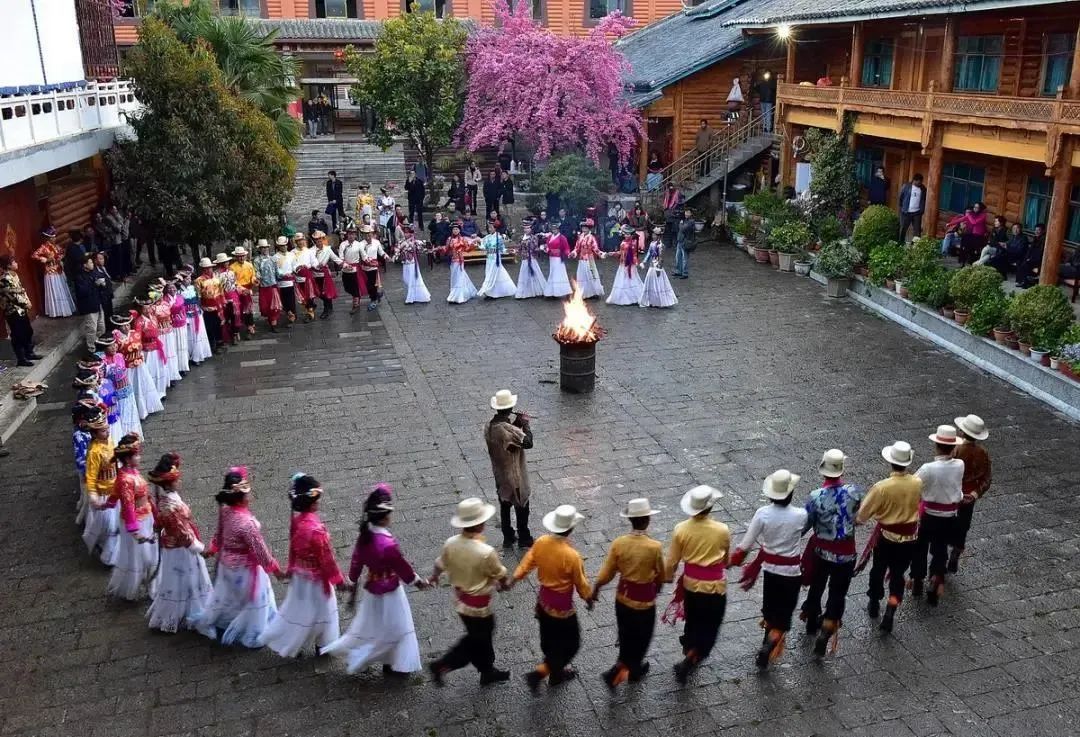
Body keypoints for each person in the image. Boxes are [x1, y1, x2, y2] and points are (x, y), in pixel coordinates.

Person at [321, 485, 429, 675]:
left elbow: (356, 562)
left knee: (375, 625)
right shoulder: (388, 545)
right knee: (398, 626)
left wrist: (352, 581)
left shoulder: (365, 537)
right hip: (392, 592)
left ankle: (385, 658)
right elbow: (403, 568)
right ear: (385, 516)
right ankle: (396, 662)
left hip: (372, 591)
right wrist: (418, 582)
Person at [260, 474, 347, 658]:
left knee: (299, 609)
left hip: (300, 578)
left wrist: (291, 568)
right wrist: (338, 580)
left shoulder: (297, 522)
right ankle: (324, 645)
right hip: (317, 580)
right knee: (324, 611)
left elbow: (293, 548)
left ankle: (294, 639)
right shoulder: (317, 531)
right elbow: (327, 559)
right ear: (312, 502)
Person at [196, 467, 284, 648]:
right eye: (247, 494)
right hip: (245, 569)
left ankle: (227, 620)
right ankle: (252, 629)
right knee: (254, 599)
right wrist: (275, 569)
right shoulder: (247, 524)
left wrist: (213, 549)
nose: (250, 497)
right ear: (241, 498)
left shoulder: (225, 511)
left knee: (230, 597)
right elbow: (261, 551)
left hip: (227, 566)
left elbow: (218, 534)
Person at [428, 498, 512, 686]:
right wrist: (505, 584)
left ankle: (487, 670)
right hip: (479, 607)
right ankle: (443, 665)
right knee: (475, 641)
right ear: (480, 523)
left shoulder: (451, 543)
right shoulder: (486, 552)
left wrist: (434, 577)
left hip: (461, 603)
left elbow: (439, 564)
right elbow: (500, 575)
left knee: (481, 638)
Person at [729, 469, 807, 669]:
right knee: (783, 617)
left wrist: (730, 563)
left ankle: (766, 643)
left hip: (770, 572)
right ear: (790, 494)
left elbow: (744, 546)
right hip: (791, 574)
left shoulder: (762, 514)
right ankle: (769, 645)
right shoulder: (801, 515)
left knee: (771, 612)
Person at [512, 504, 592, 692]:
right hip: (562, 607)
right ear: (571, 528)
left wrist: (515, 577)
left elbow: (528, 562)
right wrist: (588, 597)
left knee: (548, 640)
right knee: (571, 644)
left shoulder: (541, 542)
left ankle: (556, 674)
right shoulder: (571, 555)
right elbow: (580, 582)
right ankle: (542, 672)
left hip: (543, 603)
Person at [589, 498, 666, 688]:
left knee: (626, 634)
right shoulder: (654, 547)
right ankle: (622, 670)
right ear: (647, 520)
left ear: (630, 520)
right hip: (644, 602)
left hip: (622, 599)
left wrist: (596, 588)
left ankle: (632, 667)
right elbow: (661, 575)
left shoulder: (619, 543)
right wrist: (658, 587)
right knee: (642, 637)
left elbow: (607, 573)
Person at [799, 449, 865, 657]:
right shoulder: (855, 492)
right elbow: (858, 515)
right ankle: (827, 626)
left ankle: (811, 620)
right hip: (846, 555)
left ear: (823, 471)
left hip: (821, 551)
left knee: (817, 585)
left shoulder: (815, 497)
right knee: (838, 592)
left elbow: (806, 525)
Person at [665, 486, 730, 684]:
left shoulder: (681, 529)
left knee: (693, 619)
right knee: (711, 624)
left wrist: (667, 578)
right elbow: (725, 560)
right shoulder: (722, 530)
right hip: (715, 587)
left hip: (691, 586)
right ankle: (693, 655)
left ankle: (690, 645)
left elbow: (672, 561)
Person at [856, 441, 922, 633]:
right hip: (909, 539)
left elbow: (863, 515)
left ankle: (875, 601)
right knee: (897, 573)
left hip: (887, 537)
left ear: (890, 462)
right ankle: (891, 608)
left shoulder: (881, 487)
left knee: (878, 569)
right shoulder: (917, 483)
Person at [146, 453, 213, 633]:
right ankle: (187, 613)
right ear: (169, 483)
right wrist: (199, 549)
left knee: (177, 580)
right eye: (176, 479)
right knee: (187, 579)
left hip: (174, 547)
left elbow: (160, 522)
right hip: (181, 549)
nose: (179, 482)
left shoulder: (166, 500)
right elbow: (182, 533)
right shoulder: (171, 505)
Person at [910, 425, 965, 606]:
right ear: (953, 447)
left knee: (920, 547)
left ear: (936, 445)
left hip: (929, 515)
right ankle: (936, 577)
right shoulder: (960, 465)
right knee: (940, 549)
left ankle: (917, 578)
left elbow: (914, 485)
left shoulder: (928, 468)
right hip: (950, 516)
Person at [107, 433, 158, 601]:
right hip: (137, 522)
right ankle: (141, 586)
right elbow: (128, 504)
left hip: (146, 517)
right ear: (128, 459)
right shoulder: (126, 479)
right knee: (142, 557)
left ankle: (150, 584)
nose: (139, 457)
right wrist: (134, 530)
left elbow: (115, 494)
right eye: (137, 454)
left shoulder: (130, 473)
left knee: (148, 554)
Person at [485, 389, 535, 548]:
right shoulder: (508, 430)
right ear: (509, 409)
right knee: (522, 506)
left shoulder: (490, 426)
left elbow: (509, 441)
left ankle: (508, 536)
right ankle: (524, 537)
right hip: (514, 475)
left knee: (504, 505)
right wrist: (526, 424)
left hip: (500, 474)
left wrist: (517, 424)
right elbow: (527, 442)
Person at [949, 414, 991, 573]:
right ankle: (956, 550)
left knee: (947, 523)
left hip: (952, 495)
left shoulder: (955, 450)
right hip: (969, 498)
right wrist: (975, 493)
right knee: (963, 525)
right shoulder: (983, 453)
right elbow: (987, 478)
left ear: (962, 431)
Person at [82, 409, 119, 564]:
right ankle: (108, 557)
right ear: (95, 433)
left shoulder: (110, 442)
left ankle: (116, 553)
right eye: (104, 431)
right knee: (109, 527)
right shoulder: (94, 452)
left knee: (117, 525)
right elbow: (90, 476)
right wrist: (93, 495)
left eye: (107, 429)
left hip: (115, 490)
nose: (108, 432)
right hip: (104, 494)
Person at [112, 312, 163, 419]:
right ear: (118, 327)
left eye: (127, 324)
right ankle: (136, 411)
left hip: (139, 365)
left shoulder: (135, 333)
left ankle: (146, 407)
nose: (126, 327)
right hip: (127, 368)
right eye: (123, 325)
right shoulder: (116, 339)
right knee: (132, 387)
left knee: (142, 384)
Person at [97, 336, 141, 438]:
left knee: (129, 413)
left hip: (126, 390)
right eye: (110, 346)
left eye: (114, 344)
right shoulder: (102, 362)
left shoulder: (120, 356)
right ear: (104, 347)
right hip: (115, 394)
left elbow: (125, 371)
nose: (113, 347)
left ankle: (132, 434)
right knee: (120, 415)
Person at [0, 255, 40, 367]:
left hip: (22, 309)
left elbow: (22, 291)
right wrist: (25, 303)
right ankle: (21, 358)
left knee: (28, 331)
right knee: (18, 335)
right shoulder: (4, 279)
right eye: (14, 262)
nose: (16, 263)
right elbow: (11, 296)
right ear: (8, 265)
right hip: (13, 311)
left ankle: (29, 352)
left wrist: (27, 301)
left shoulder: (15, 276)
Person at [32, 227, 76, 318]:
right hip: (51, 272)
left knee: (62, 290)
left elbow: (61, 252)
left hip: (59, 269)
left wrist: (61, 256)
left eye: (55, 237)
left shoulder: (56, 246)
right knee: (55, 291)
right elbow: (34, 255)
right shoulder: (44, 247)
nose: (54, 239)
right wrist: (45, 259)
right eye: (52, 237)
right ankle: (57, 311)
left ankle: (65, 309)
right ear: (48, 238)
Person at [639, 226, 678, 308]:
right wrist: (644, 262)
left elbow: (661, 258)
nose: (653, 236)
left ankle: (660, 301)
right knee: (650, 283)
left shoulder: (661, 246)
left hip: (656, 266)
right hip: (651, 265)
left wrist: (659, 268)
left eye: (655, 235)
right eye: (653, 234)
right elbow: (649, 253)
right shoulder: (652, 243)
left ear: (659, 236)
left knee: (659, 284)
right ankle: (651, 300)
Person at [74, 253, 106, 352]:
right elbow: (82, 291)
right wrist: (94, 284)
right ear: (85, 265)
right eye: (90, 262)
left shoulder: (94, 273)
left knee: (102, 327)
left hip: (98, 303)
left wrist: (102, 284)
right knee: (92, 328)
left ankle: (97, 342)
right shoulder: (79, 277)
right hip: (89, 306)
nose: (92, 264)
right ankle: (91, 348)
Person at [477, 222, 517, 299]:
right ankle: (492, 292)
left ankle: (489, 291)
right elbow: (483, 246)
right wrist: (478, 242)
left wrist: (508, 251)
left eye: (491, 228)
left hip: (496, 259)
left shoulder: (499, 237)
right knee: (491, 274)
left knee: (493, 274)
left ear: (495, 228)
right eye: (489, 228)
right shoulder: (487, 237)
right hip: (489, 258)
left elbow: (502, 248)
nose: (489, 229)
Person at [607, 225, 644, 306]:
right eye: (625, 234)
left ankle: (633, 297)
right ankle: (623, 297)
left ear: (631, 235)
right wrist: (613, 253)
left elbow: (634, 254)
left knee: (632, 280)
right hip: (622, 264)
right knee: (622, 280)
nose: (627, 235)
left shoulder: (633, 243)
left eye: (628, 234)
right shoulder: (622, 243)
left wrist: (637, 263)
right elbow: (620, 253)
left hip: (630, 265)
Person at [394, 225, 431, 304]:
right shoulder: (401, 241)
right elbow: (397, 249)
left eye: (408, 232)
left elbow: (422, 248)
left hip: (412, 263)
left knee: (411, 279)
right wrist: (396, 254)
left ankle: (410, 298)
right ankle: (414, 294)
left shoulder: (415, 241)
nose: (406, 234)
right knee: (405, 278)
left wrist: (414, 246)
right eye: (405, 232)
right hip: (405, 263)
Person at [443, 222, 479, 304]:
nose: (455, 231)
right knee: (454, 277)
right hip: (452, 261)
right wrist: (437, 249)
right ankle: (458, 293)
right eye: (454, 229)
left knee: (459, 276)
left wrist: (473, 245)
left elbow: (467, 249)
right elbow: (446, 249)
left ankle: (458, 296)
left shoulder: (462, 239)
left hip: (460, 261)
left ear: (459, 230)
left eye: (457, 229)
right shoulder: (449, 239)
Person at [194, 258, 226, 352]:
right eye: (205, 268)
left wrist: (223, 302)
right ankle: (212, 343)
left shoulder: (217, 279)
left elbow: (221, 291)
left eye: (209, 268)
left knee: (219, 324)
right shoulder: (198, 281)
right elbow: (198, 296)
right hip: (207, 307)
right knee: (209, 326)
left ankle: (220, 342)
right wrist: (200, 307)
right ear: (202, 269)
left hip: (218, 305)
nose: (208, 270)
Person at [570, 219, 605, 299]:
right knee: (582, 276)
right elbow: (577, 248)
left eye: (586, 228)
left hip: (589, 259)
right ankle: (583, 292)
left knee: (592, 275)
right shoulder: (580, 237)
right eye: (583, 228)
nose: (584, 229)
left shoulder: (592, 237)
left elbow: (595, 248)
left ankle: (594, 292)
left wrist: (601, 254)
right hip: (581, 259)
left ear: (589, 229)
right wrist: (573, 253)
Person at [514, 218, 548, 299]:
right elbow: (519, 247)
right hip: (524, 259)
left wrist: (542, 248)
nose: (526, 230)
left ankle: (538, 290)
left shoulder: (534, 237)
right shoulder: (522, 237)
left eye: (527, 228)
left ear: (531, 229)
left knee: (535, 273)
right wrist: (515, 251)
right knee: (524, 275)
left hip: (532, 259)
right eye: (525, 228)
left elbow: (535, 248)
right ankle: (526, 292)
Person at [358, 224, 388, 311]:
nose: (368, 236)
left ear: (372, 233)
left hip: (374, 267)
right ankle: (377, 295)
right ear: (363, 235)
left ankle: (373, 299)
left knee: (372, 284)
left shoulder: (376, 242)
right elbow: (363, 255)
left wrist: (385, 256)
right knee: (367, 285)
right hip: (365, 267)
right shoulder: (361, 244)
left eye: (369, 234)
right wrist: (367, 260)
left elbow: (381, 252)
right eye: (365, 234)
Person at [312, 231, 341, 318]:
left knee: (325, 292)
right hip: (315, 274)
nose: (319, 241)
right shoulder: (311, 251)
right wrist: (315, 265)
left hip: (325, 275)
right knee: (319, 293)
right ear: (314, 241)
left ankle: (327, 309)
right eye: (316, 239)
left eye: (320, 239)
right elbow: (309, 261)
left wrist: (344, 265)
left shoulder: (327, 249)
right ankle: (329, 306)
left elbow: (336, 259)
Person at [230, 246, 257, 335]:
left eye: (242, 256)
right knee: (239, 309)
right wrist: (241, 289)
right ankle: (239, 327)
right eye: (239, 256)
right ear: (236, 257)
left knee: (248, 308)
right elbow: (233, 281)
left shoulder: (249, 265)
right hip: (238, 290)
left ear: (245, 256)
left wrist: (254, 280)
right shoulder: (232, 267)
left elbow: (253, 276)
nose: (241, 258)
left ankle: (250, 326)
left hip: (248, 288)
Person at [540, 223, 572, 298]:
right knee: (552, 273)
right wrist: (545, 249)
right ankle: (552, 292)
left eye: (555, 229)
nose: (554, 230)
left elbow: (566, 248)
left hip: (558, 258)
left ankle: (565, 291)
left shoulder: (562, 237)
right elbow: (548, 246)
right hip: (551, 257)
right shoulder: (550, 237)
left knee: (560, 274)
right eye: (553, 229)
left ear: (558, 229)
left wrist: (568, 254)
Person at [273, 236, 298, 324]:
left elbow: (294, 266)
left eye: (285, 245)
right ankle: (289, 313)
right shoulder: (275, 257)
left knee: (291, 300)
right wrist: (283, 275)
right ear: (278, 246)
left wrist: (297, 269)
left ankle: (292, 315)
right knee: (283, 301)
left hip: (290, 282)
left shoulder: (291, 255)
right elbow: (276, 270)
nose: (284, 247)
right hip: (281, 282)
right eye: (281, 245)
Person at [898, 174, 926, 241]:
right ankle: (900, 243)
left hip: (917, 213)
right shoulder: (906, 186)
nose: (920, 183)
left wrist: (922, 210)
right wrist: (902, 208)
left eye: (921, 182)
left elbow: (924, 199)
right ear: (914, 180)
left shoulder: (923, 188)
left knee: (917, 230)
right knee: (903, 228)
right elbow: (901, 197)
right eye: (919, 182)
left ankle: (915, 246)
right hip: (906, 212)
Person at [673, 206, 696, 279]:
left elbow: (683, 229)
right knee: (678, 257)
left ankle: (685, 273)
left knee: (684, 258)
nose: (686, 213)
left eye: (688, 212)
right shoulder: (684, 220)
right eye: (686, 212)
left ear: (691, 214)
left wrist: (681, 223)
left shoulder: (691, 221)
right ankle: (678, 271)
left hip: (686, 242)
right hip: (680, 241)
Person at [93, 251, 114, 323]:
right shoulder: (95, 272)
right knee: (106, 315)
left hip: (108, 295)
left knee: (110, 313)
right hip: (103, 297)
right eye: (100, 259)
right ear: (95, 260)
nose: (103, 260)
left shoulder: (103, 267)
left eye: (103, 258)